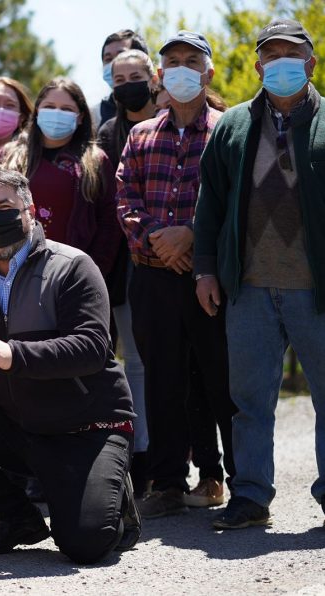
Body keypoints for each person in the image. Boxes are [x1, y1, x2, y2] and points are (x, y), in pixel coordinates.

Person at [0, 167, 138, 564]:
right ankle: (19, 519)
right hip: (22, 429)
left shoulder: (73, 267)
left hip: (87, 429)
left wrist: (13, 354)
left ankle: (116, 493)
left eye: (4, 206)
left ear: (30, 210)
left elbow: (91, 347)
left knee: (86, 545)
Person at [194, 19, 325, 529]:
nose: (280, 63)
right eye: (270, 55)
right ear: (257, 66)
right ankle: (249, 496)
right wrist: (205, 270)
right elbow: (210, 207)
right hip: (247, 287)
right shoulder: (232, 126)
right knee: (248, 401)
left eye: (291, 54)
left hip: (317, 291)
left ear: (311, 63)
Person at [116, 31, 236, 518]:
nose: (182, 69)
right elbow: (126, 201)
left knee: (218, 379)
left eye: (193, 61)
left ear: (208, 73)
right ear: (160, 76)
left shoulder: (230, 131)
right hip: (153, 277)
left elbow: (237, 206)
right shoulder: (140, 136)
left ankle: (224, 479)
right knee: (162, 381)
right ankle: (167, 483)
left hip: (210, 275)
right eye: (173, 62)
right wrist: (162, 243)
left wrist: (191, 237)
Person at [96, 49, 159, 496]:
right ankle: (132, 458)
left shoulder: (170, 120)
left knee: (146, 363)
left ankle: (157, 457)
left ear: (153, 76)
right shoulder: (107, 132)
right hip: (116, 263)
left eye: (137, 75)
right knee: (123, 361)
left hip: (160, 258)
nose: (130, 83)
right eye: (121, 77)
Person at [0, 77, 121, 278]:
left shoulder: (96, 161)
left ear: (80, 117)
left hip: (70, 276)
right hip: (10, 273)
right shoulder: (8, 155)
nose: (57, 113)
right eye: (50, 106)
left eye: (67, 109)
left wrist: (92, 273)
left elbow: (110, 223)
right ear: (37, 112)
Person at [91, 29, 150, 131]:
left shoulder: (164, 106)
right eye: (108, 59)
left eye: (121, 55)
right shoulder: (96, 115)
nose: (114, 63)